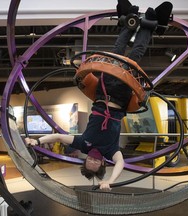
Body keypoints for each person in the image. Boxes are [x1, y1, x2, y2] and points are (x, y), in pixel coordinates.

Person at [25, 0, 158, 190]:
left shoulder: (83, 144)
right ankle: (148, 24)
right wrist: (109, 181)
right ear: (103, 164)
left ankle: (131, 20)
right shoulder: (111, 151)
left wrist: (36, 141)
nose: (93, 163)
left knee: (116, 52)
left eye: (90, 164)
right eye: (96, 166)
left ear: (86, 160)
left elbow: (58, 138)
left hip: (103, 92)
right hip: (120, 97)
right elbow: (121, 164)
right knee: (134, 57)